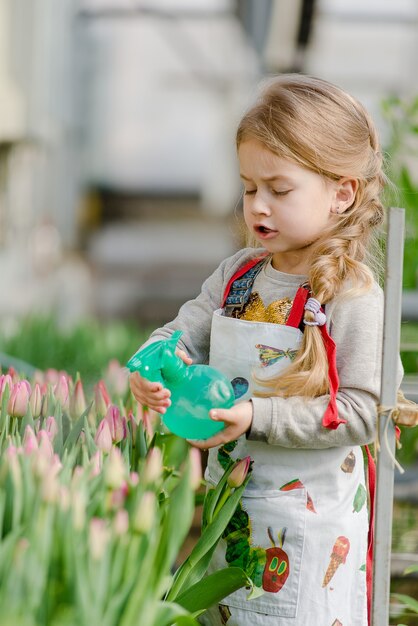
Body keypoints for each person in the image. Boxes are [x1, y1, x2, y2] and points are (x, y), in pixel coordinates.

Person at [129, 74, 403, 626]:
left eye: (280, 190)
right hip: (229, 513)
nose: (259, 206)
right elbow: (181, 332)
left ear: (342, 192)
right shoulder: (239, 276)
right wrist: (151, 364)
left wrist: (256, 416)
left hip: (310, 528)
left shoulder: (351, 295)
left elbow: (360, 412)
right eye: (250, 187)